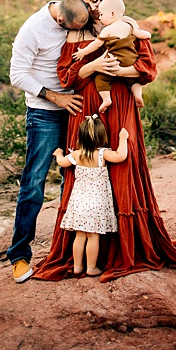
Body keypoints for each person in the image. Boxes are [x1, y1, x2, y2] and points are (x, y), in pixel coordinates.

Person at [32, 2, 176, 282]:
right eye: (87, 3)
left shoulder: (125, 29)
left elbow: (147, 69)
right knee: (87, 172)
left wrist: (119, 72)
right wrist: (94, 65)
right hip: (86, 110)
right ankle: (83, 257)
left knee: (121, 168)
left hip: (120, 107)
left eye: (96, 2)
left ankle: (123, 248)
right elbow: (66, 78)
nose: (93, 8)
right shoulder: (71, 39)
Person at [4, 0, 122, 283]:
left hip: (75, 109)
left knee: (73, 179)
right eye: (68, 29)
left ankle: (68, 250)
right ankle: (19, 256)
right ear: (59, 21)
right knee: (34, 182)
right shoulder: (32, 30)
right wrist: (55, 97)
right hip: (45, 111)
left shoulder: (74, 12)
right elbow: (17, 75)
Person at [52, 117, 129, 277]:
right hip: (97, 204)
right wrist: (123, 139)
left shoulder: (77, 154)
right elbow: (121, 156)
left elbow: (62, 162)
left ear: (80, 136)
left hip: (79, 203)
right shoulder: (103, 154)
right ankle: (91, 267)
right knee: (93, 237)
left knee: (79, 236)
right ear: (102, 137)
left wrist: (59, 153)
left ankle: (78, 266)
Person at [72, 0, 151, 111]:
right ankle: (138, 95)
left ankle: (106, 99)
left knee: (101, 78)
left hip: (115, 61)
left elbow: (96, 45)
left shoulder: (107, 30)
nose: (99, 18)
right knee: (134, 81)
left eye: (102, 14)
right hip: (131, 60)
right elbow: (144, 35)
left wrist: (82, 52)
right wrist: (147, 34)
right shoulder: (129, 27)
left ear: (112, 14)